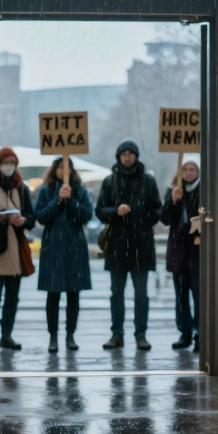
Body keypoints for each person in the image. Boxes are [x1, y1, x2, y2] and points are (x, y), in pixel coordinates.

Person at [95, 139, 162, 350]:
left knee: (141, 293)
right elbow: (99, 211)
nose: (127, 157)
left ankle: (141, 333)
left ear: (136, 156)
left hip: (141, 245)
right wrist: (116, 212)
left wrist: (140, 215)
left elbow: (157, 210)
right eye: (123, 154)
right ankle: (117, 333)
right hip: (117, 245)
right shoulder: (109, 181)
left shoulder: (148, 181)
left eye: (130, 153)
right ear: (118, 157)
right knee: (117, 293)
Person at [34, 157, 92, 352]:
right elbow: (41, 216)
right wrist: (58, 200)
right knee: (53, 294)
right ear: (55, 169)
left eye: (66, 167)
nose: (63, 170)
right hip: (53, 248)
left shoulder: (80, 190)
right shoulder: (46, 190)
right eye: (60, 167)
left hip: (75, 247)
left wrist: (71, 201)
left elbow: (86, 214)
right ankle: (53, 336)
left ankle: (70, 335)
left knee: (73, 293)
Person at [0, 148, 35, 350]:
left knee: (12, 298)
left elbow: (32, 218)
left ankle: (6, 335)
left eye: (12, 163)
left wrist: (22, 220)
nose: (9, 166)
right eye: (5, 162)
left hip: (15, 250)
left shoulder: (21, 188)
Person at [161, 158, 201, 350]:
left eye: (192, 169)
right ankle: (184, 332)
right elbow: (165, 219)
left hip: (198, 250)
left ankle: (201, 332)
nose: (188, 172)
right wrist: (173, 201)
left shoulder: (204, 190)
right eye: (184, 169)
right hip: (179, 251)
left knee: (199, 294)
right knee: (181, 296)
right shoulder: (173, 191)